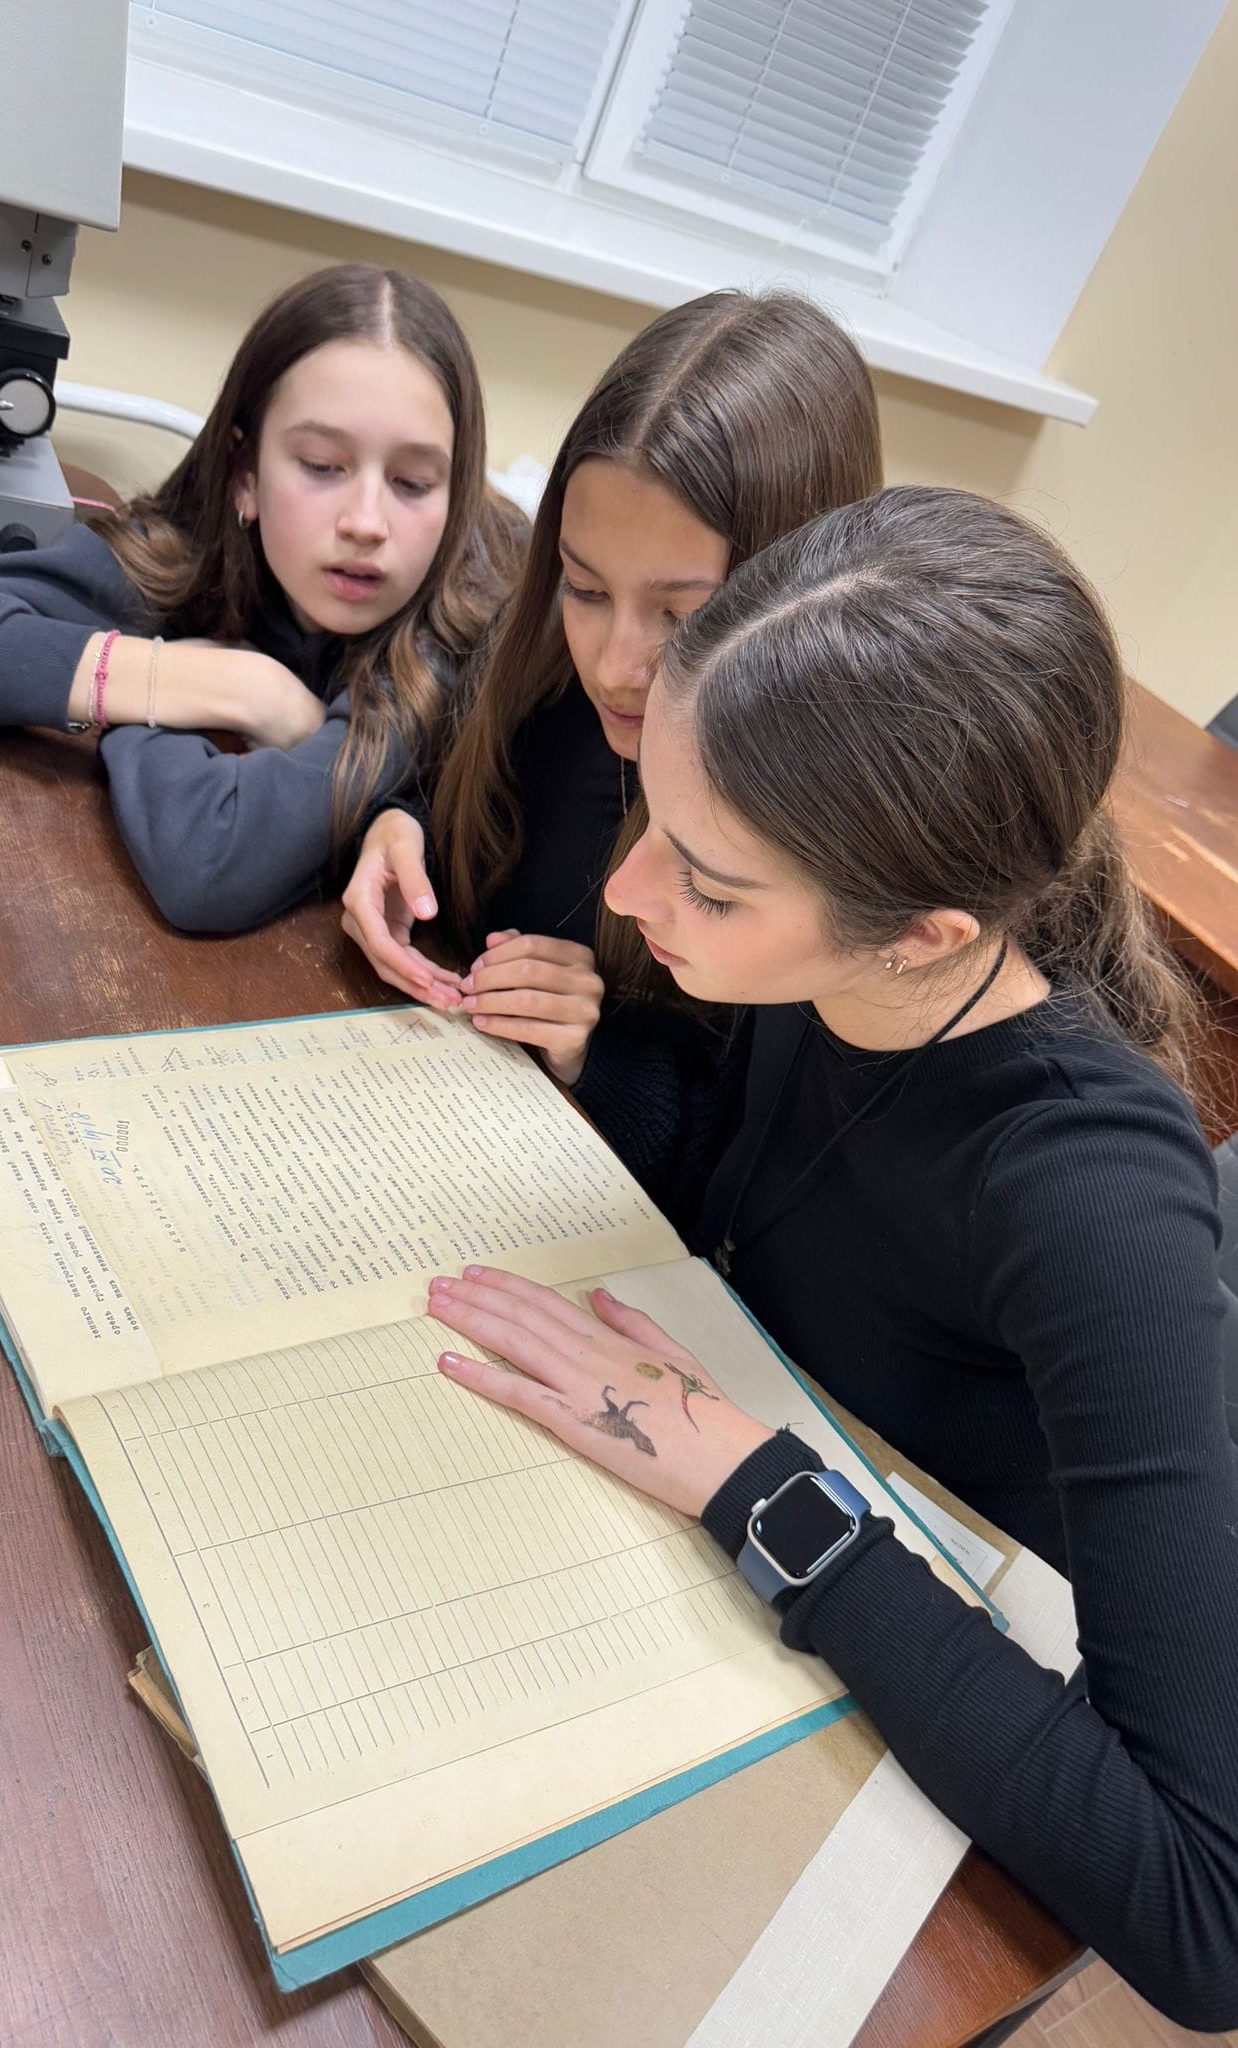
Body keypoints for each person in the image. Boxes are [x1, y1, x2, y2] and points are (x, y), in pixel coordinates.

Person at [424, 487, 1238, 2030]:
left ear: (925, 932)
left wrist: (760, 1489)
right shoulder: (834, 967)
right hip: (737, 1528)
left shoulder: (1092, 1195)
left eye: (709, 883)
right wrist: (596, 1061)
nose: (627, 895)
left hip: (918, 1721)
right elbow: (766, 1194)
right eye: (652, 819)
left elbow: (1207, 1918)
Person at [0, 264, 521, 933]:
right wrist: (212, 682)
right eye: (322, 466)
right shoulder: (184, 554)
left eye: (413, 483)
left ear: (456, 494)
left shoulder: (454, 639)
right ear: (244, 472)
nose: (367, 522)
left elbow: (206, 861)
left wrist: (138, 701)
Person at [341, 289, 882, 1084]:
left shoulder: (838, 831)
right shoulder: (535, 661)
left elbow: (735, 1127)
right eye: (586, 587)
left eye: (685, 615)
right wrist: (400, 828)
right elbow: (443, 792)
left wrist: (590, 1058)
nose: (613, 667)